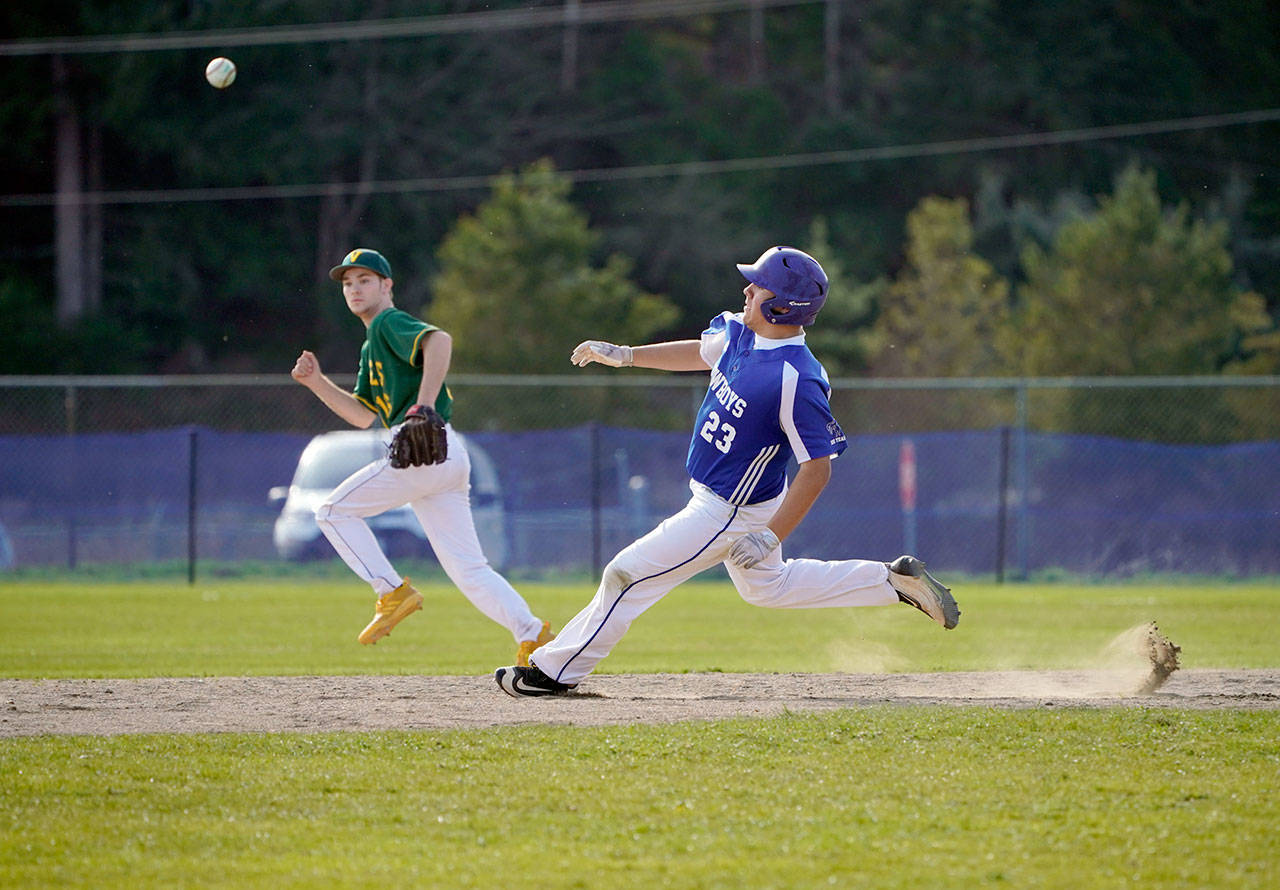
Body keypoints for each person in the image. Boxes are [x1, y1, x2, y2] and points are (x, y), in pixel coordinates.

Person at [495, 246, 958, 697]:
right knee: (767, 589)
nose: (747, 289)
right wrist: (626, 354)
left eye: (758, 286)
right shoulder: (739, 332)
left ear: (780, 305)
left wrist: (770, 535)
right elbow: (701, 351)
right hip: (725, 498)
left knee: (627, 574)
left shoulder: (796, 377)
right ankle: (891, 581)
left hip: (729, 510)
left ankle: (556, 671)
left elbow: (817, 469)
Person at [291, 248, 553, 664]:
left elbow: (439, 340)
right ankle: (532, 632)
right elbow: (362, 416)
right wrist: (317, 382)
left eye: (365, 280)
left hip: (422, 446)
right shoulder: (370, 347)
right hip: (443, 454)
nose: (355, 289)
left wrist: (424, 405)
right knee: (469, 569)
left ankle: (391, 591)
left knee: (331, 512)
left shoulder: (388, 323)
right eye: (348, 283)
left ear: (386, 285)